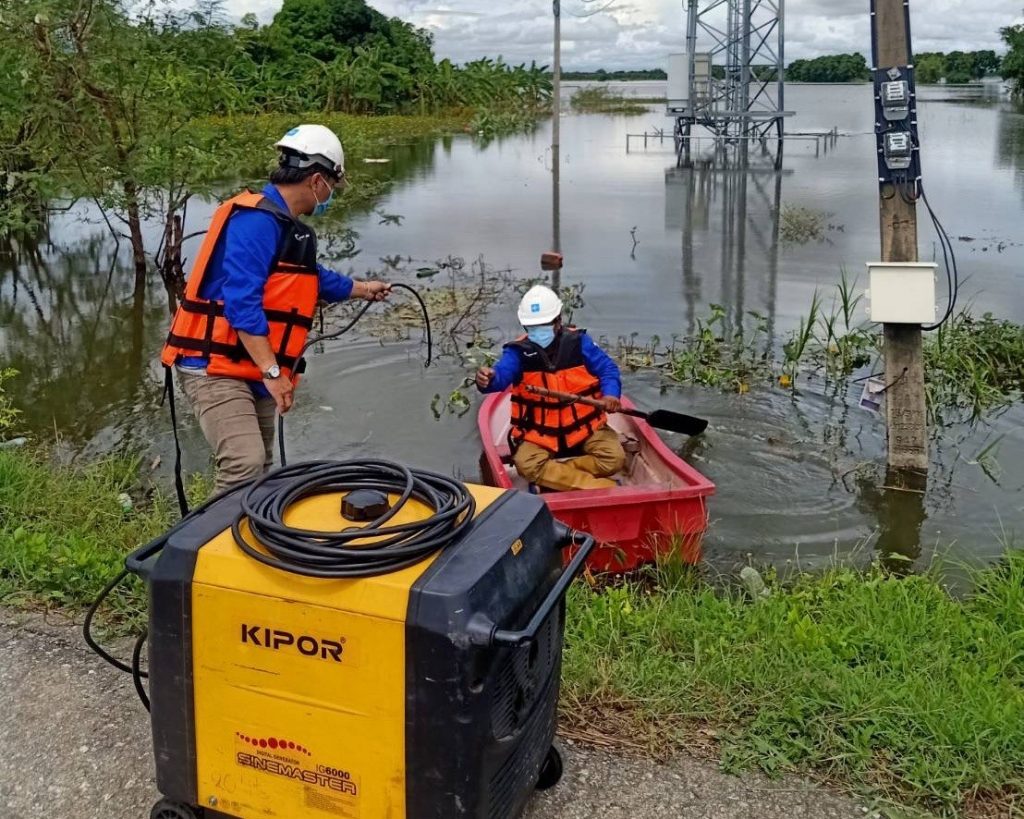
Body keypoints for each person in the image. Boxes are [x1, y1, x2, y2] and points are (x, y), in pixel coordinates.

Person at [161, 124, 390, 492]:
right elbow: (242, 304)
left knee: (261, 468)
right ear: (317, 181)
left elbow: (311, 279)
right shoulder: (256, 222)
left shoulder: (287, 227)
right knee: (243, 463)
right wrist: (273, 372)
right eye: (333, 187)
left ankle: (250, 541)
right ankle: (197, 546)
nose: (331, 196)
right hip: (213, 365)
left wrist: (363, 289)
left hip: (249, 361)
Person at [475, 285, 626, 492]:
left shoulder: (579, 343)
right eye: (532, 327)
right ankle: (601, 487)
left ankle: (553, 475)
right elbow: (500, 377)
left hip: (585, 429)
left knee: (615, 460)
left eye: (543, 325)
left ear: (558, 321)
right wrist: (488, 380)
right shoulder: (518, 353)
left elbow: (608, 370)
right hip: (539, 434)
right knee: (526, 464)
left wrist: (611, 394)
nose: (538, 331)